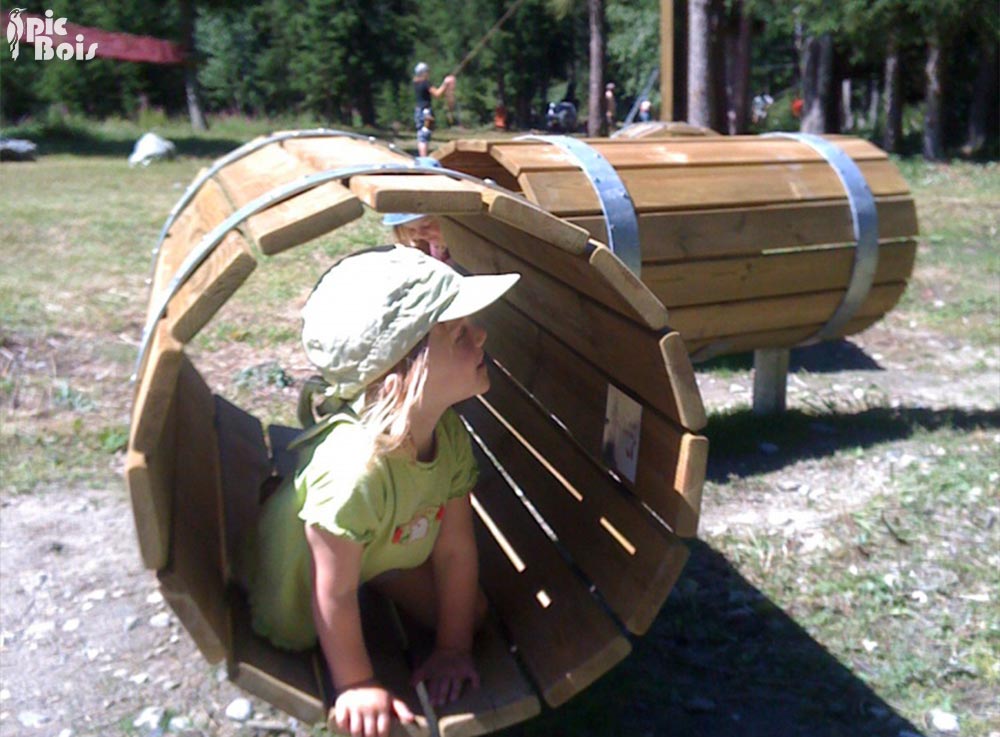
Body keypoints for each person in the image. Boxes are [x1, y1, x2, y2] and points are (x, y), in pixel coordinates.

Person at [246, 245, 519, 737]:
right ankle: (287, 524)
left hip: (376, 549)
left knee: (469, 616)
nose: (480, 336)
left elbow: (455, 549)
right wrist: (357, 683)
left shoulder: (448, 434)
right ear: (402, 377)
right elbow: (334, 590)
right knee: (318, 595)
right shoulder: (355, 471)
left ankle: (336, 534)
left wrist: (452, 650)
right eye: (458, 333)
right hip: (301, 590)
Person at [413, 62, 455, 157]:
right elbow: (437, 94)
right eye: (427, 71)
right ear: (423, 72)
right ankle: (423, 158)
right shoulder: (425, 83)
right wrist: (445, 83)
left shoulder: (415, 82)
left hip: (418, 111)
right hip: (425, 112)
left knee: (422, 134)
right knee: (424, 135)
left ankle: (423, 157)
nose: (428, 73)